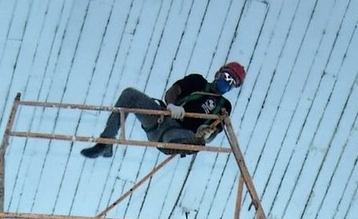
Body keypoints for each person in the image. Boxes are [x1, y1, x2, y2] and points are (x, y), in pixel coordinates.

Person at [80, 61, 246, 158]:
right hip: (162, 119)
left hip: (181, 133)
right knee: (130, 94)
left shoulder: (224, 106)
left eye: (232, 82)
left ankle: (180, 146)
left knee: (188, 140)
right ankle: (105, 142)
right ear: (218, 73)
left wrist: (208, 134)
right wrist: (171, 106)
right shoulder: (197, 81)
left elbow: (215, 130)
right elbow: (173, 91)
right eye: (226, 77)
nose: (227, 82)